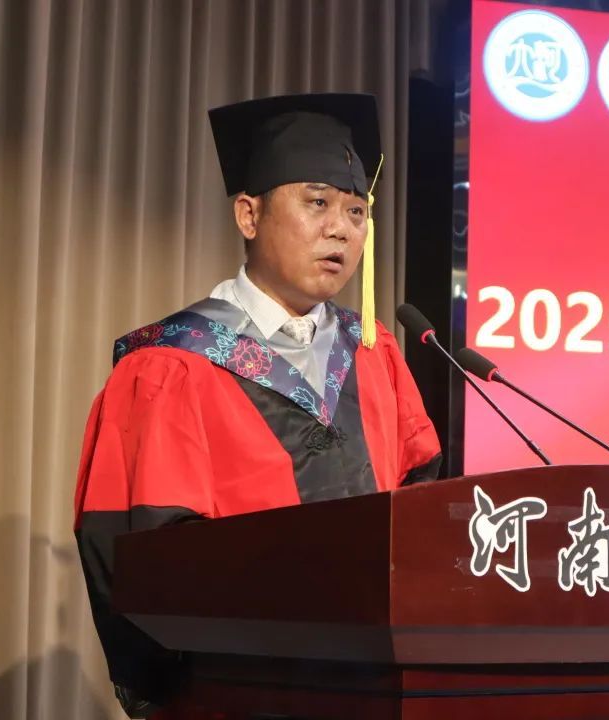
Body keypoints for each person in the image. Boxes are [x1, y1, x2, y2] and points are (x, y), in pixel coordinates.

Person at [73, 93, 442, 719]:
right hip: (234, 692)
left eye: (356, 211)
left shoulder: (374, 354)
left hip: (374, 690)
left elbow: (417, 505)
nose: (341, 229)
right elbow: (132, 553)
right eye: (317, 202)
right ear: (248, 214)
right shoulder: (171, 363)